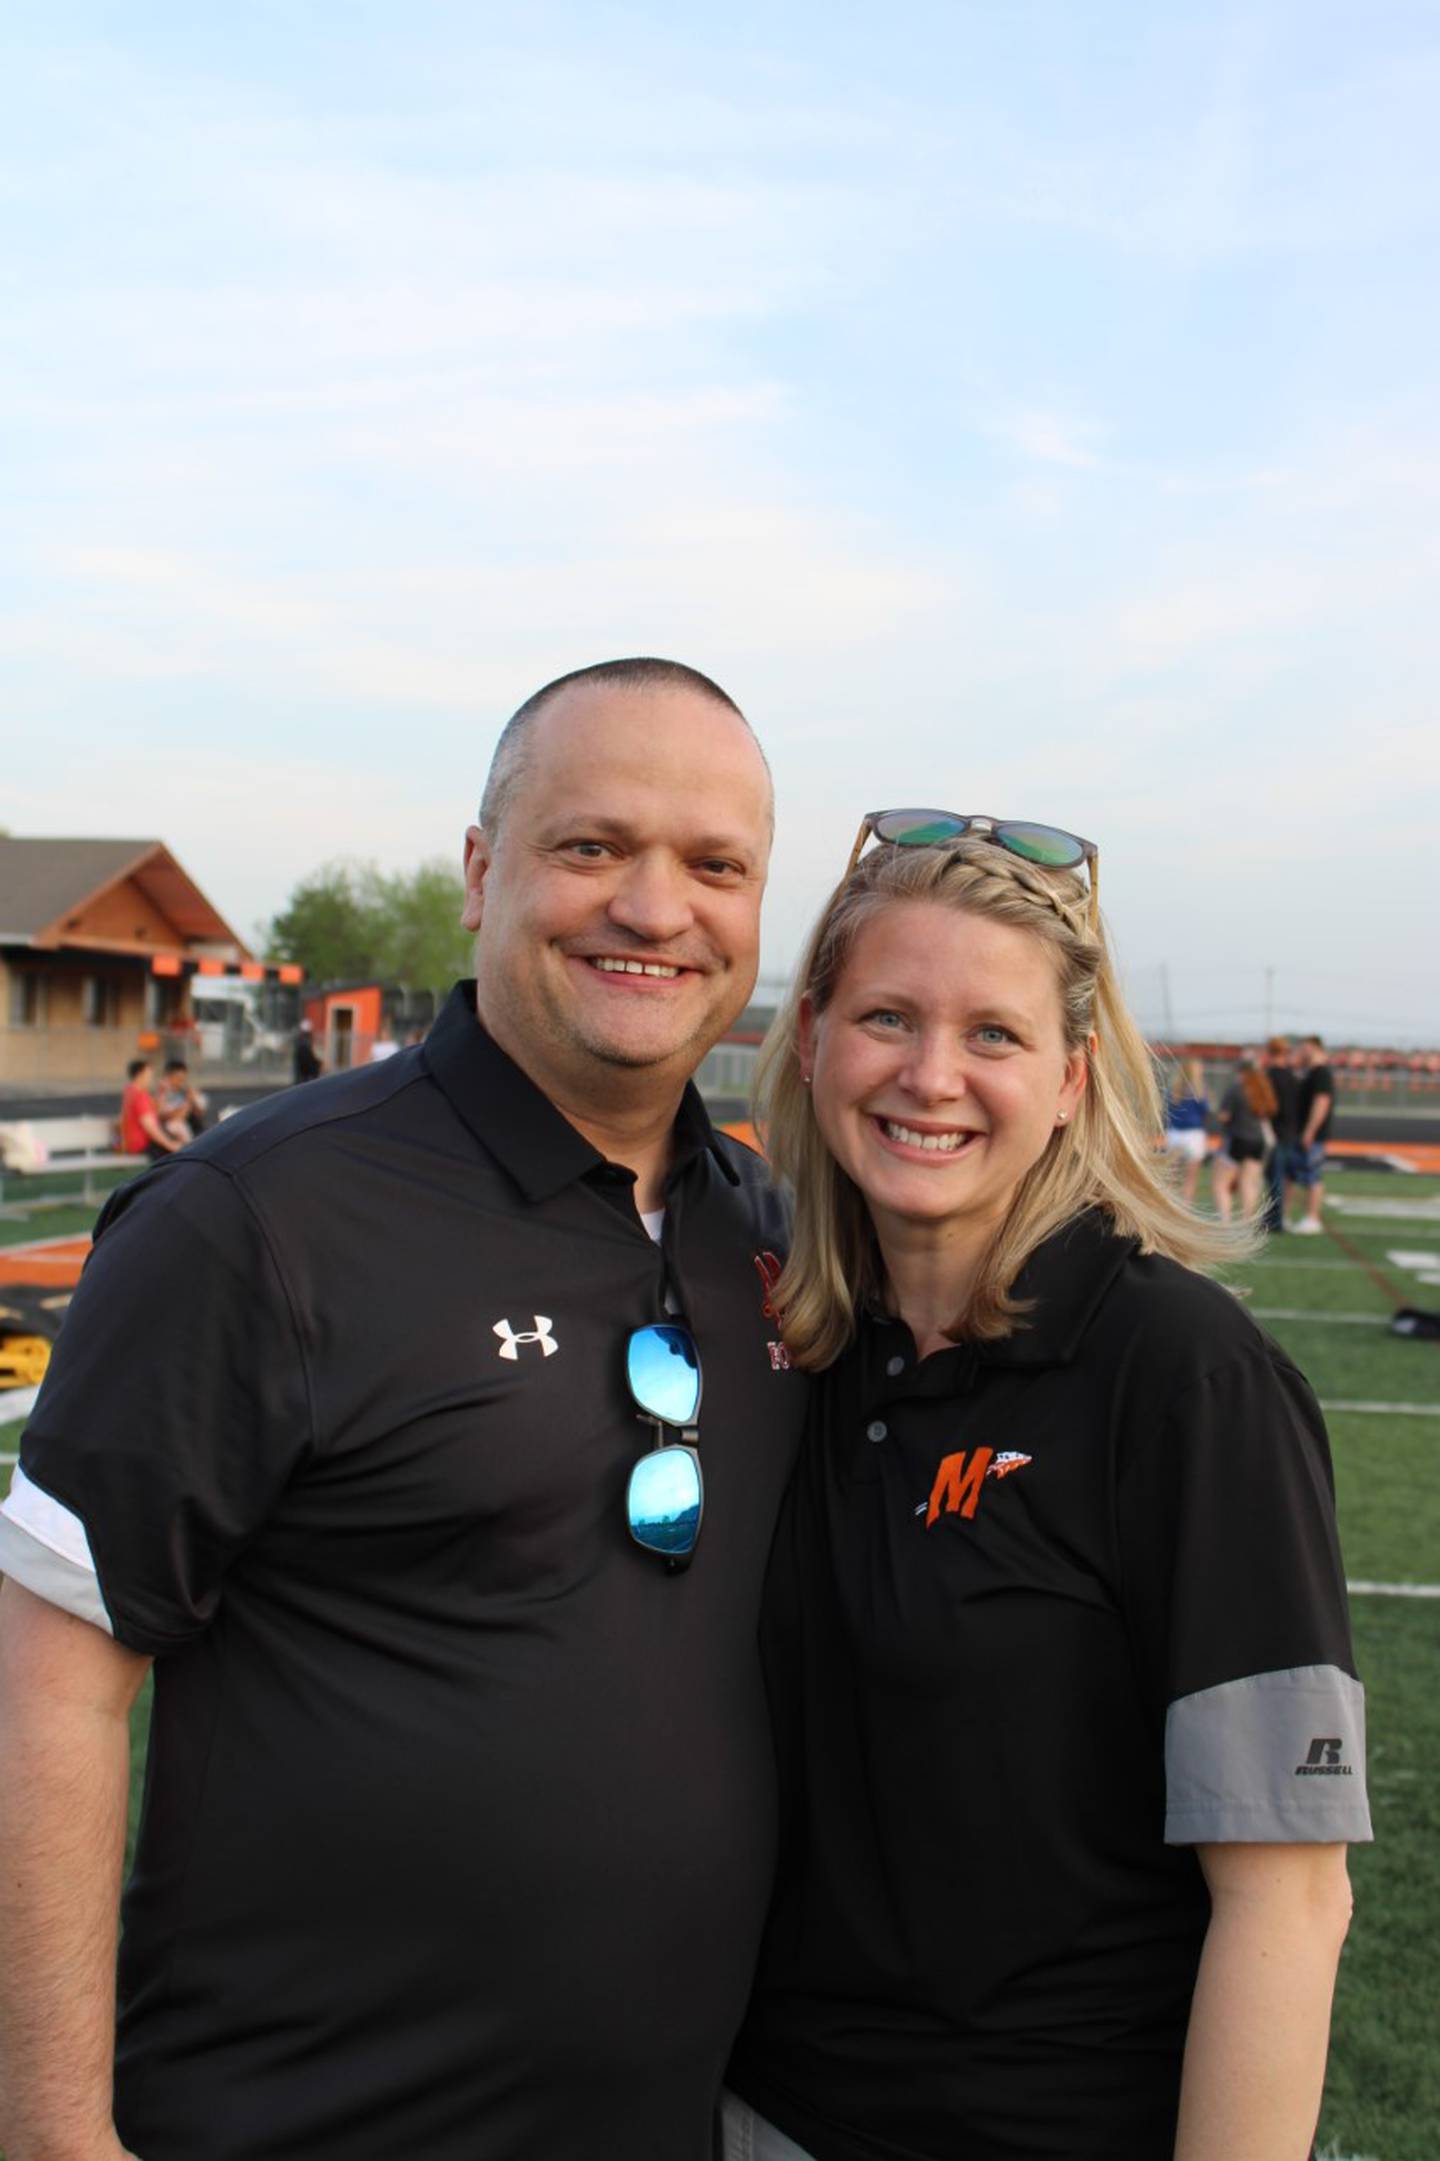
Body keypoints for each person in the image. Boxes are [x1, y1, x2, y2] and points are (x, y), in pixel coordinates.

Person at [0, 657, 805, 2161]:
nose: (653, 906)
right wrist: (52, 2135)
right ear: (481, 872)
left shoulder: (761, 1228)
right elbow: (45, 1689)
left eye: (715, 865)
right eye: (591, 847)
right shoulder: (253, 1219)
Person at [725, 814, 1369, 2161]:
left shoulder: (1184, 1374)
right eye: (888, 1015)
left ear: (1074, 1079)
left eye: (995, 1035)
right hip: (762, 2112)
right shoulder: (799, 1349)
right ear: (813, 1043)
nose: (932, 1074)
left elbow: (1291, 1895)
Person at [1210, 1051, 1276, 1224]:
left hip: (1237, 1139)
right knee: (1248, 1183)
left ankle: (1224, 1221)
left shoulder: (1236, 1089)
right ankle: (1249, 1221)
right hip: (1258, 1141)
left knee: (1221, 1184)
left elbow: (1224, 1116)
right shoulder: (1263, 1089)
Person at [1288, 1033, 1336, 1234]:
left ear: (1314, 1047)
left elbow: (1321, 1102)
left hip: (1312, 1135)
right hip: (1306, 1132)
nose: (1301, 1051)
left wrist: (1310, 1131)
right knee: (1300, 1174)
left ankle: (1312, 1217)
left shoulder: (1321, 1073)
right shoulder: (1311, 1072)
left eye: (1304, 1047)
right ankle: (1299, 1216)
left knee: (1312, 1177)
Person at [1262, 1033, 1299, 1233]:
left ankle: (1275, 1219)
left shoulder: (1270, 1076)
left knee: (1274, 1177)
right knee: (1282, 1177)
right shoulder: (1292, 1076)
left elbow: (1268, 1106)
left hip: (1275, 1132)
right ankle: (1278, 1216)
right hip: (1290, 1132)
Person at [1162, 1053, 1210, 1204]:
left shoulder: (1173, 1090)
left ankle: (1170, 1207)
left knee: (1172, 1177)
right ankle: (1186, 1206)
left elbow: (1167, 1111)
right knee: (1191, 1178)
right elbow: (1205, 1112)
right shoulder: (1200, 1091)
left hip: (1175, 1135)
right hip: (1193, 1136)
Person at [117, 1057, 185, 1161]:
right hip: (143, 1144)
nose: (150, 1079)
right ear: (140, 1074)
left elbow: (154, 1113)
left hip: (135, 1144)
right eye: (149, 1075)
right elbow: (151, 1128)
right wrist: (170, 1144)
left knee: (181, 1148)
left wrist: (162, 1092)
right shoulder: (139, 1096)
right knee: (180, 1156)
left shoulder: (130, 1091)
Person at [154, 1055, 207, 1141]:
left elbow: (200, 1114)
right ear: (168, 1077)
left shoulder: (183, 1092)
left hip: (192, 1133)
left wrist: (195, 1102)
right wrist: (188, 1101)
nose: (181, 1083)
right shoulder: (162, 1094)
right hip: (174, 1137)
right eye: (178, 1079)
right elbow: (168, 1117)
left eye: (183, 1079)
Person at [291, 1016, 322, 1082]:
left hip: (303, 1068)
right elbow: (307, 1057)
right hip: (303, 1069)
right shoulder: (303, 1042)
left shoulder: (302, 1041)